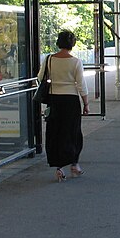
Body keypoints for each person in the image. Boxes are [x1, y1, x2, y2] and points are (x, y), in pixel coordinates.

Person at [37, 30, 89, 182]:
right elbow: (81, 85)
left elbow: (41, 77)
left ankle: (59, 168)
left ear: (58, 42)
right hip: (71, 101)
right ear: (72, 44)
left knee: (55, 133)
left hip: (54, 100)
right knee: (72, 133)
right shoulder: (76, 62)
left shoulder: (49, 59)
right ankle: (74, 165)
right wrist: (86, 103)